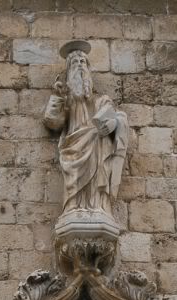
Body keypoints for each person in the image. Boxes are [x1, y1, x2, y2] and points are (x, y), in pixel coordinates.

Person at [43, 41, 129, 220]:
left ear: (88, 69)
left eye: (83, 62)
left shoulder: (101, 100)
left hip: (96, 148)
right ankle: (73, 207)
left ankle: (98, 206)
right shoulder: (66, 100)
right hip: (72, 147)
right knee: (76, 172)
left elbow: (117, 117)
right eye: (75, 63)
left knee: (98, 137)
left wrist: (113, 124)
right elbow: (53, 122)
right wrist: (57, 97)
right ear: (69, 71)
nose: (80, 65)